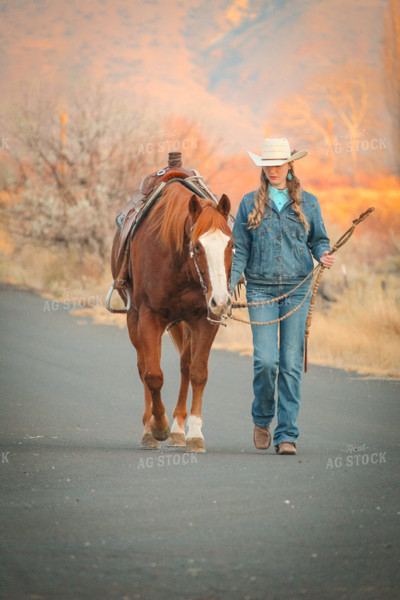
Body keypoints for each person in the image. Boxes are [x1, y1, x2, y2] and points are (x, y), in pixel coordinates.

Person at [230, 138, 335, 455]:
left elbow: (318, 239)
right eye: (267, 165)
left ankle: (286, 435)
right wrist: (226, 287)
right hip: (260, 289)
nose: (272, 170)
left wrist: (323, 254)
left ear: (290, 165)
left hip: (296, 291)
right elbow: (240, 252)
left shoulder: (309, 203)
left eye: (278, 164)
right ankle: (262, 419)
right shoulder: (249, 203)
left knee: (290, 364)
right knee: (265, 361)